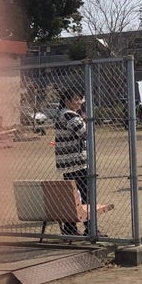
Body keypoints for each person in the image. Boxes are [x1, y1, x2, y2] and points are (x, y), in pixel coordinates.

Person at [54, 87, 88, 236]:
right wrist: (84, 118)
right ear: (67, 101)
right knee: (84, 196)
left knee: (73, 196)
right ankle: (90, 228)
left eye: (80, 98)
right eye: (75, 99)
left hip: (69, 163)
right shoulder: (68, 115)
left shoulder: (64, 114)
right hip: (75, 162)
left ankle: (70, 228)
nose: (79, 102)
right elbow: (85, 132)